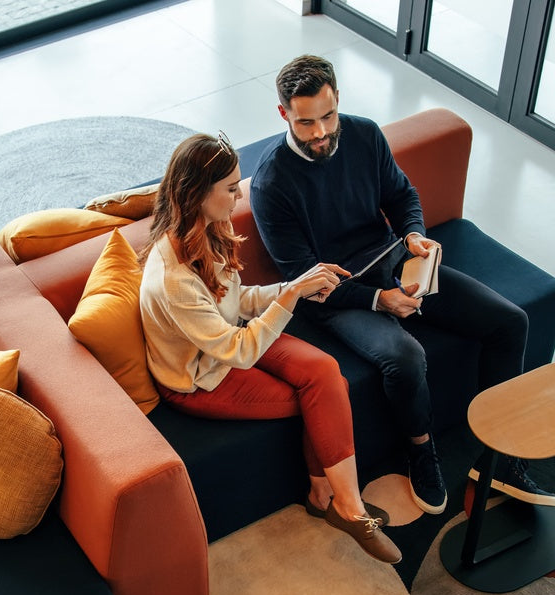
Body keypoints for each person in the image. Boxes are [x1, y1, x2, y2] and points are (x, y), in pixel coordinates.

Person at [250, 54, 555, 515]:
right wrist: (378, 300)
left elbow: (401, 194)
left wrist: (414, 232)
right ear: (284, 115)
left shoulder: (364, 134)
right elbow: (304, 279)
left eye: (328, 116)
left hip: (393, 262)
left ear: (339, 101)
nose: (320, 133)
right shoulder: (272, 183)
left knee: (510, 321)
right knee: (405, 357)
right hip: (334, 296)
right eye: (306, 122)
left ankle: (500, 457)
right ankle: (421, 452)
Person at [138, 132, 401, 564]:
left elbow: (236, 301)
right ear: (198, 194)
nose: (239, 195)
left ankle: (327, 498)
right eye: (229, 188)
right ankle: (346, 508)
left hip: (231, 337)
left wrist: (294, 286)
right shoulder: (173, 279)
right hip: (198, 379)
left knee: (325, 372)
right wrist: (290, 298)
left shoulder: (208, 228)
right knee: (316, 397)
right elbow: (238, 352)